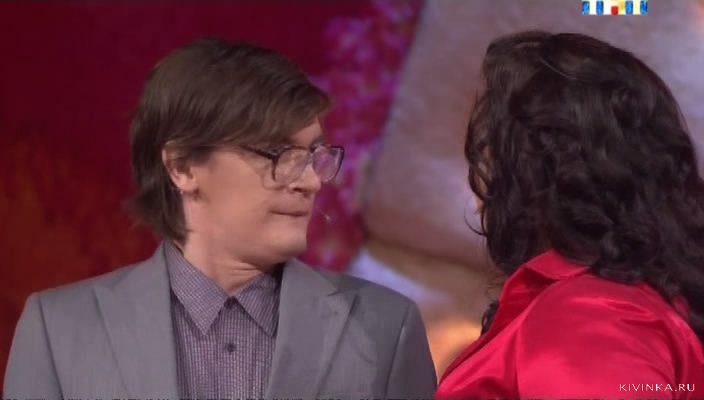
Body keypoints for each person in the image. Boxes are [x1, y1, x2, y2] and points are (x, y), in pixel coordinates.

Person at [4, 37, 437, 400]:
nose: (309, 181)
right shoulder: (60, 330)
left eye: (314, 155)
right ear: (182, 167)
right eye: (279, 154)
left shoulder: (385, 329)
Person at [436, 31, 704, 399]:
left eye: (499, 153)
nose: (488, 175)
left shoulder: (592, 316)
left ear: (536, 173)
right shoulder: (633, 305)